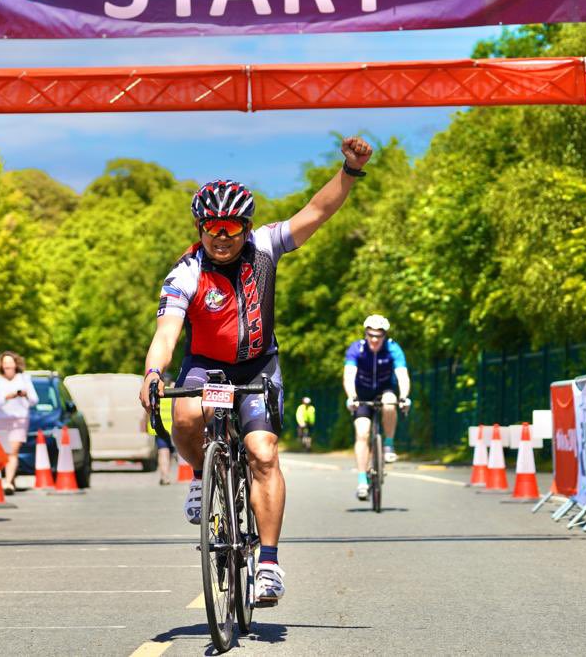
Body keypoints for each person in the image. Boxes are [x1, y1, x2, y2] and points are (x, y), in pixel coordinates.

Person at [140, 136, 374, 604]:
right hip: (206, 366)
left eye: (230, 227)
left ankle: (268, 563)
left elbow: (316, 211)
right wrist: (152, 374)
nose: (221, 237)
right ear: (200, 228)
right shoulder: (185, 272)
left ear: (245, 228)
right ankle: (200, 477)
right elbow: (166, 334)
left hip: (257, 365)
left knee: (262, 453)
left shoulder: (266, 245)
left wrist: (349, 170)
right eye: (212, 228)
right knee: (184, 416)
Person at [343, 314, 410, 501]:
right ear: (365, 334)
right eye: (370, 335)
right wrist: (352, 397)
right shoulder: (356, 348)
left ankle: (388, 445)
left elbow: (402, 375)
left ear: (384, 336)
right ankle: (362, 480)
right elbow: (349, 375)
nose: (374, 339)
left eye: (378, 336)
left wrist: (404, 397)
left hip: (384, 390)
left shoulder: (393, 349)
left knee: (389, 403)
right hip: (362, 394)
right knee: (362, 433)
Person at [0, 351, 38, 494]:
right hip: (2, 420)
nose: (8, 365)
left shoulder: (24, 378)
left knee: (13, 451)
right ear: (1, 365)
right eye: (5, 363)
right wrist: (7, 397)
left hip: (20, 420)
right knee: (6, 452)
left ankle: (8, 483)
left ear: (15, 364)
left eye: (10, 362)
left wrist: (25, 394)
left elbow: (34, 400)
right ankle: (12, 478)